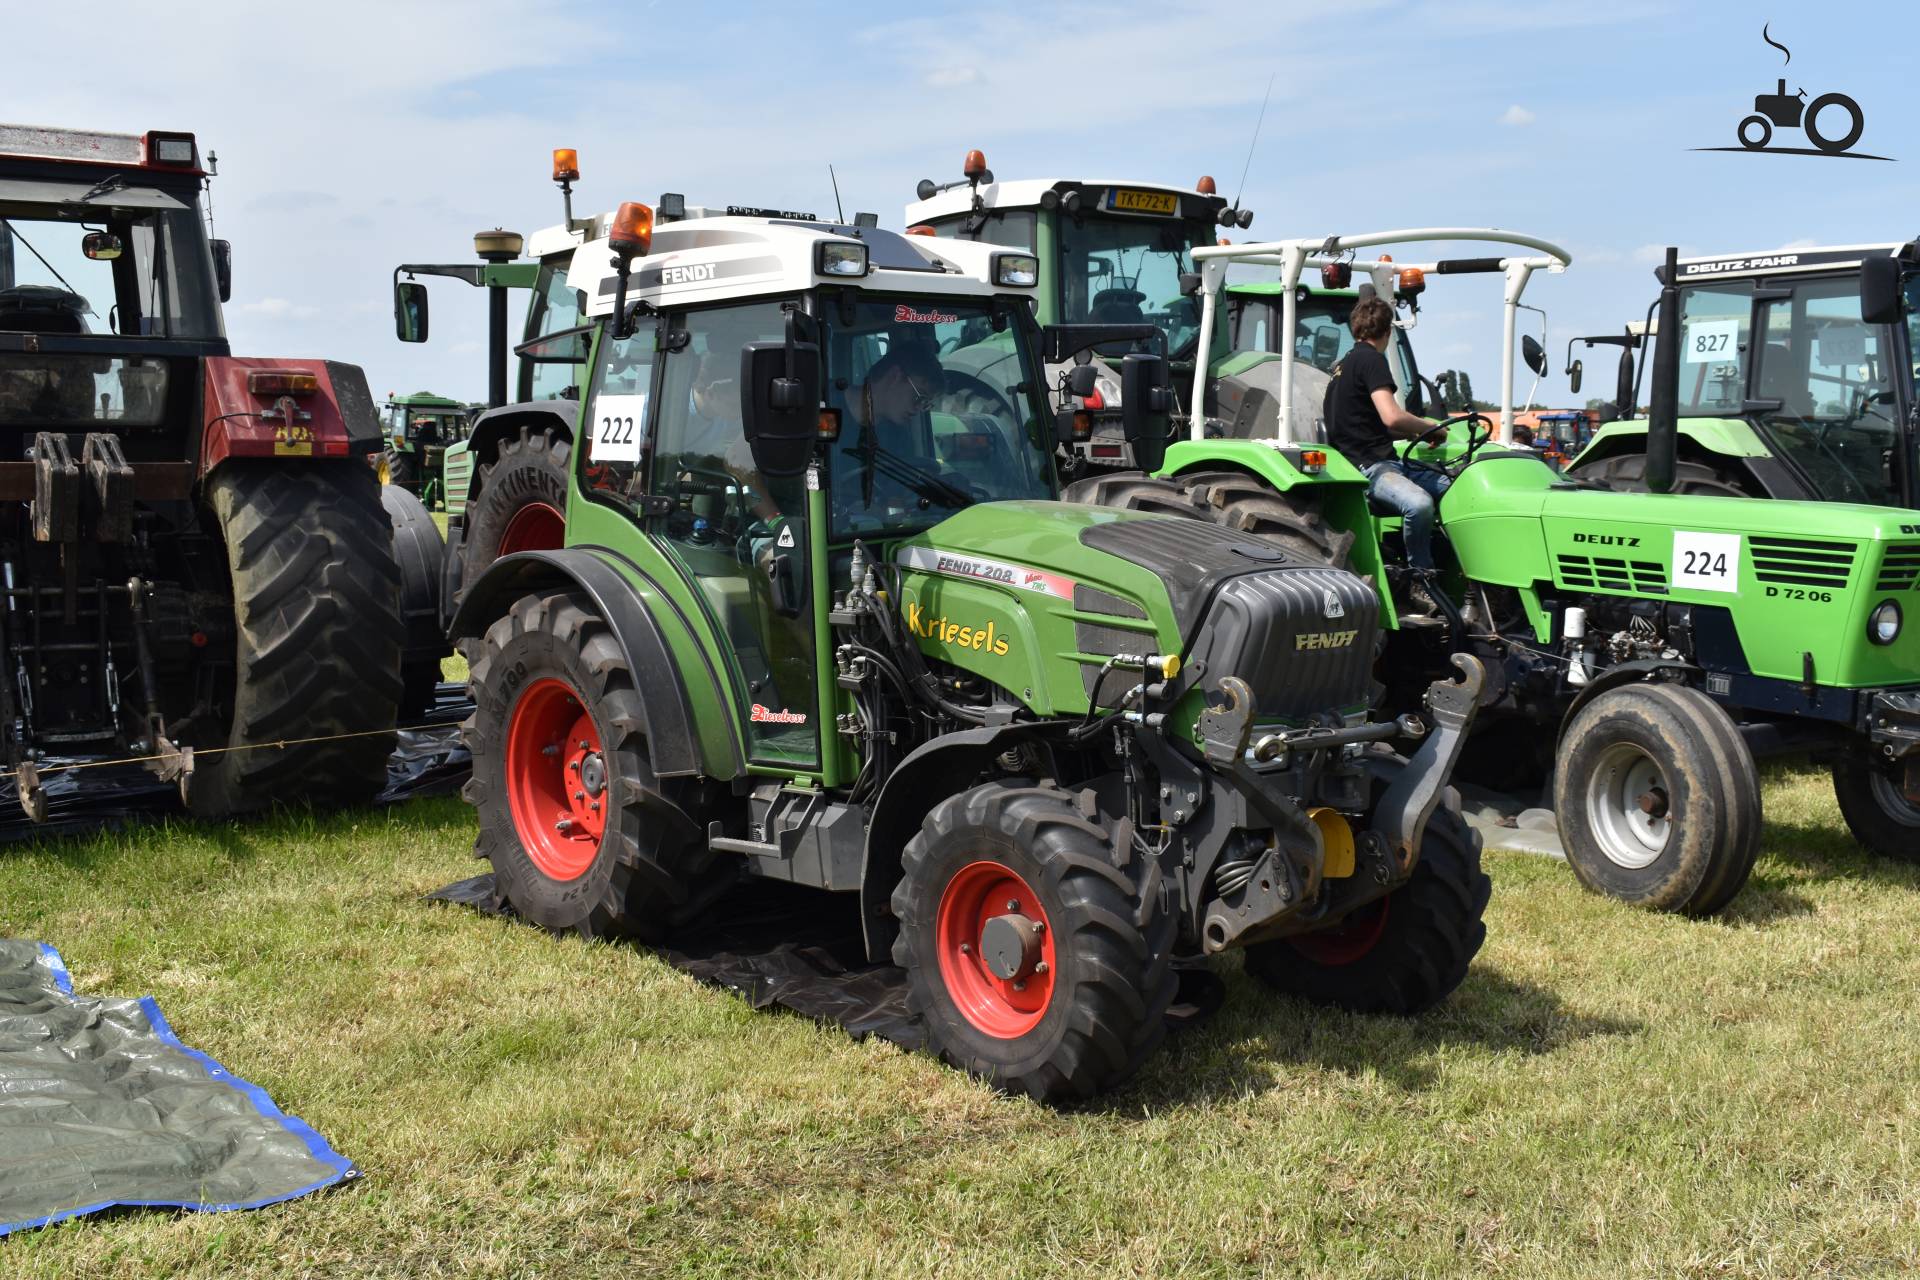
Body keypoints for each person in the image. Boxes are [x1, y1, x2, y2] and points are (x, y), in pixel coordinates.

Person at [1323, 294, 1450, 574]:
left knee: (1456, 486)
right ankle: (1422, 576)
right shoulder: (1371, 361)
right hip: (1369, 468)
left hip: (1373, 461)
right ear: (1388, 331)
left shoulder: (1343, 366)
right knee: (1419, 504)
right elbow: (1391, 415)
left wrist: (1418, 429)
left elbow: (1376, 425)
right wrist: (1432, 428)